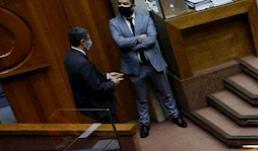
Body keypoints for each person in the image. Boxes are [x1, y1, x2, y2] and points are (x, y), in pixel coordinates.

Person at [110, 0, 187, 139]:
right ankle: (144, 124)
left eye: (125, 4)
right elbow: (119, 42)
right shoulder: (114, 23)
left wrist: (131, 44)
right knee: (141, 98)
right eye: (119, 4)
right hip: (135, 67)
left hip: (153, 63)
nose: (121, 6)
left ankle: (175, 116)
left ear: (133, 6)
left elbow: (151, 39)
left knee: (166, 92)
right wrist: (140, 38)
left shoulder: (145, 18)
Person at [64, 27, 123, 123]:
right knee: (114, 130)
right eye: (89, 39)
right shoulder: (81, 62)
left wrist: (107, 76)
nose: (90, 41)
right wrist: (113, 83)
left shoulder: (70, 56)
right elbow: (97, 87)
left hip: (87, 104)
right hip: (98, 106)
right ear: (83, 42)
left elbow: (87, 77)